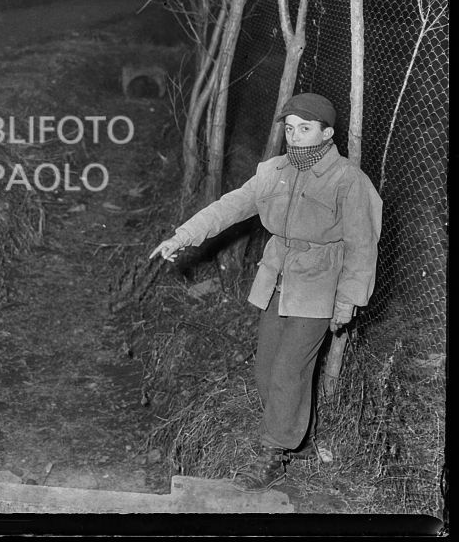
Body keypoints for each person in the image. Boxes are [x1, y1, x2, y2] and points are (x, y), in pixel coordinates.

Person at [148, 93, 382, 491]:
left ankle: (274, 453)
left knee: (289, 370)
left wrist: (348, 300)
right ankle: (298, 439)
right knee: (266, 370)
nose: (294, 137)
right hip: (277, 281)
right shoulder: (274, 171)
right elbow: (231, 206)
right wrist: (183, 236)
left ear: (327, 133)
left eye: (304, 129)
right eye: (289, 129)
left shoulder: (349, 181)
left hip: (318, 285)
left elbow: (363, 246)